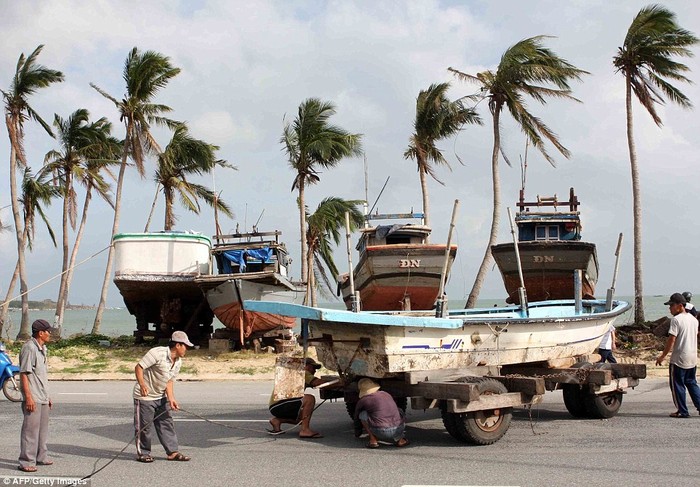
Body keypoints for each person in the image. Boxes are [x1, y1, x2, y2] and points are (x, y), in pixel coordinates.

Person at [133, 331, 193, 462]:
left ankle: (172, 452)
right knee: (144, 427)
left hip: (161, 397)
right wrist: (142, 384)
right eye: (185, 346)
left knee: (166, 423)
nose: (187, 349)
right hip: (145, 397)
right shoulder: (157, 353)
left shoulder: (178, 362)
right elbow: (139, 367)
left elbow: (170, 381)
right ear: (178, 345)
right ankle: (143, 453)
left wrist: (171, 398)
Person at [18, 319, 55, 472]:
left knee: (42, 430)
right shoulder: (29, 348)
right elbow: (24, 374)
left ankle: (41, 456)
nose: (50, 334)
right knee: (30, 431)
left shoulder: (42, 349)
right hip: (33, 396)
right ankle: (26, 461)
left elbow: (41, 376)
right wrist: (28, 397)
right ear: (41, 333)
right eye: (48, 331)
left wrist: (48, 396)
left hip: (43, 396)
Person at [655, 293, 700, 418]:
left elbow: (671, 340)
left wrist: (663, 356)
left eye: (672, 306)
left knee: (677, 384)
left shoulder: (676, 320)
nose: (670, 308)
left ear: (680, 306)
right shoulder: (694, 320)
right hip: (692, 357)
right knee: (691, 383)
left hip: (679, 358)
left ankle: (682, 411)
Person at [268, 357, 330, 439]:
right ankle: (305, 430)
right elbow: (317, 382)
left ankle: (277, 420)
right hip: (279, 404)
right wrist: (340, 383)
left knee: (303, 419)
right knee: (309, 398)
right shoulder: (303, 372)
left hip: (275, 406)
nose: (314, 371)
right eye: (312, 367)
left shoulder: (295, 373)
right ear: (305, 366)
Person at [354, 378, 409, 449]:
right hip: (399, 429)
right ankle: (400, 440)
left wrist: (357, 432)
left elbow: (356, 417)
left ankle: (373, 440)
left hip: (381, 432)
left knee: (362, 414)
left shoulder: (363, 400)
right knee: (398, 410)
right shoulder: (386, 394)